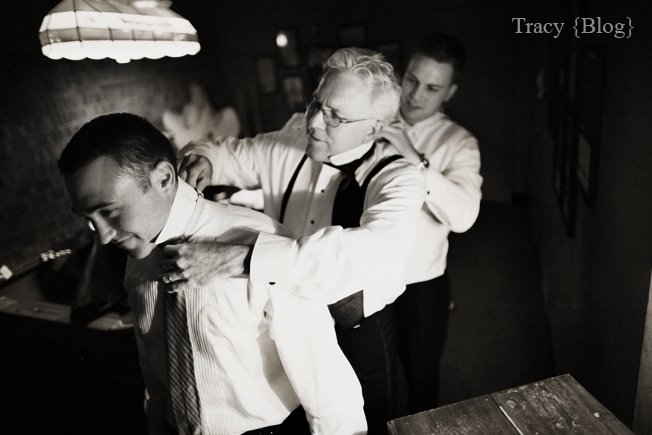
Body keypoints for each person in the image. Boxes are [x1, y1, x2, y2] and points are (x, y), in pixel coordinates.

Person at [57, 113, 367, 435]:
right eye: (88, 218)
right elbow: (155, 372)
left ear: (164, 178)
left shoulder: (262, 243)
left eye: (108, 211)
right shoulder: (137, 253)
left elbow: (327, 388)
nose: (103, 236)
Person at [174, 48, 425, 434]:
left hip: (354, 330)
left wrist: (242, 259)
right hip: (283, 323)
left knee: (367, 424)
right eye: (316, 104)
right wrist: (205, 158)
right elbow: (223, 151)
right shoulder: (288, 141)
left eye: (336, 116)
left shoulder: (400, 177)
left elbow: (371, 251)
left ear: (373, 129)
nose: (315, 122)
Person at [378, 33, 483, 413]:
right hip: (366, 274)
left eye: (432, 88)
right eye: (411, 79)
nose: (415, 94)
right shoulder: (372, 119)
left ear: (449, 92)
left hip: (421, 283)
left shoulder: (460, 143)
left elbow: (464, 216)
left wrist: (416, 161)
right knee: (370, 378)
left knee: (422, 382)